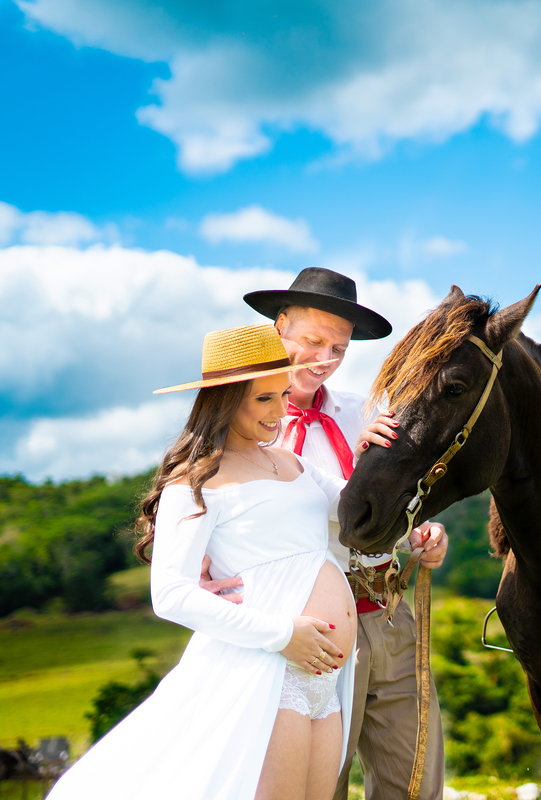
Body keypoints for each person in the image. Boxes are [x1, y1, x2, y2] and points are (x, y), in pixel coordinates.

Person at [49, 324, 360, 800]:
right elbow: (170, 595)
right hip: (269, 671)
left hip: (324, 678)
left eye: (282, 394)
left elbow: (360, 509)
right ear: (224, 399)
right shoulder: (194, 481)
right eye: (263, 399)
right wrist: (283, 634)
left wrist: (413, 509)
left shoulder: (292, 464)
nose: (280, 411)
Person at [234, 268, 449, 800]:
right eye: (312, 341)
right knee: (319, 785)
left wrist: (420, 533)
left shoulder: (364, 411)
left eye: (339, 348)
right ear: (279, 326)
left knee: (416, 783)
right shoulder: (246, 428)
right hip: (313, 629)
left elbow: (398, 507)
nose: (324, 358)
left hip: (391, 615)